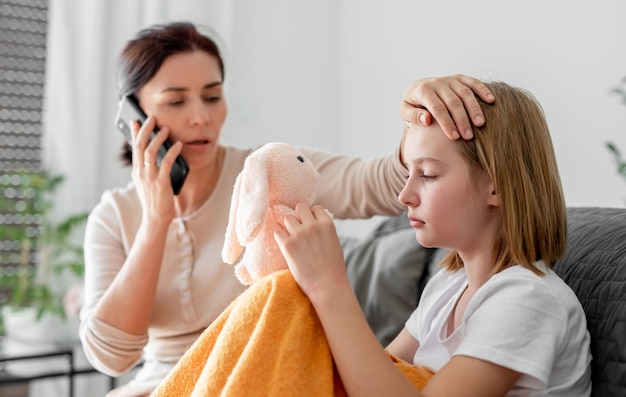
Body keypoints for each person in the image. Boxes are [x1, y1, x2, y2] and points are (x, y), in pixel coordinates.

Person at [79, 21, 494, 397]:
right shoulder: (113, 216)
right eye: (176, 102)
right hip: (164, 384)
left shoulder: (269, 171)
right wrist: (156, 220)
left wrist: (417, 115)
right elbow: (110, 356)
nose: (202, 117)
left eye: (212, 96)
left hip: (259, 366)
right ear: (133, 116)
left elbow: (380, 183)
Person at [273, 81, 592, 396]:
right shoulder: (447, 287)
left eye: (427, 174)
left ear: (496, 186)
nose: (404, 195)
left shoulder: (526, 300)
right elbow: (379, 373)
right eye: (409, 173)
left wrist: (328, 285)